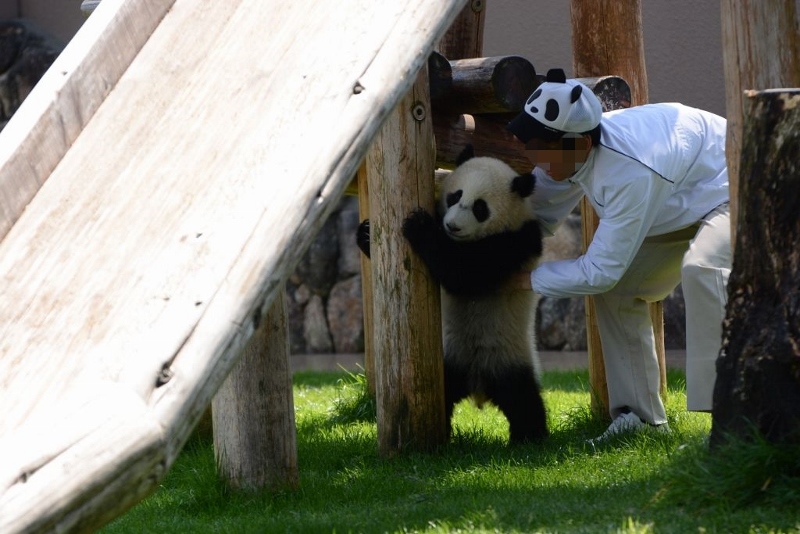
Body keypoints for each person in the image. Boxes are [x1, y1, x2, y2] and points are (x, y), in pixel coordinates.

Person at [506, 68, 731, 443]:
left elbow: (599, 271)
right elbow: (534, 218)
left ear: (577, 144)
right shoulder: (566, 156)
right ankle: (641, 420)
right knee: (621, 290)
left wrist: (525, 280)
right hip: (679, 198)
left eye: (540, 147)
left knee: (703, 267)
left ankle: (729, 417)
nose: (533, 158)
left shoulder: (629, 171)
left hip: (733, 185)